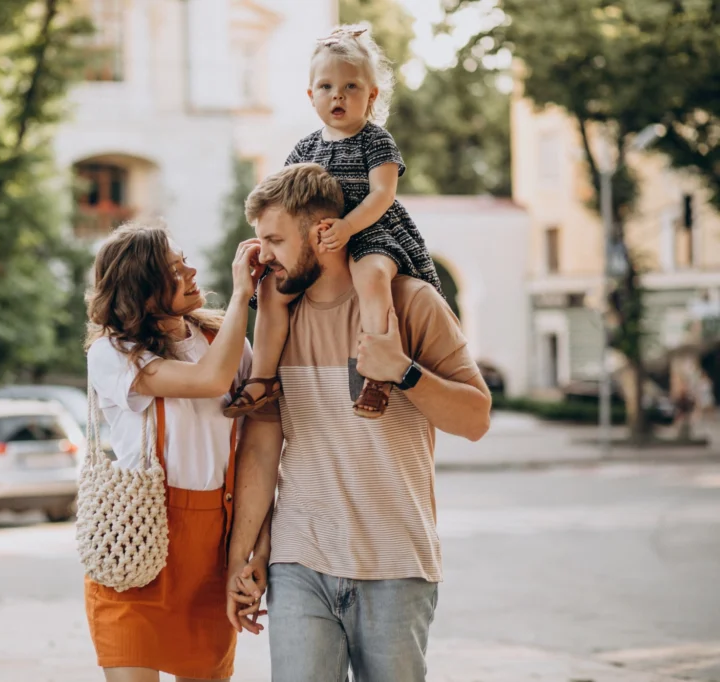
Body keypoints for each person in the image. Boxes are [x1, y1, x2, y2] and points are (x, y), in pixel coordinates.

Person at [224, 163, 492, 681]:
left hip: (396, 565)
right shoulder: (278, 320)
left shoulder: (411, 302)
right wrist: (242, 559)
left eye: (275, 240)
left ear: (322, 232)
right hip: (300, 560)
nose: (264, 257)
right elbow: (260, 446)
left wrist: (404, 372)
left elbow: (476, 419)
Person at [224, 24, 443, 421]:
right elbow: (282, 200)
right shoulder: (305, 147)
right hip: (315, 238)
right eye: (326, 87)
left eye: (351, 87)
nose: (337, 95)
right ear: (311, 96)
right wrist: (270, 243)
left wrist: (348, 227)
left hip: (369, 229)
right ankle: (262, 378)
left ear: (371, 95)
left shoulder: (375, 140)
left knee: (373, 278)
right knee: (273, 293)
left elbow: (382, 195)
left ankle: (375, 374)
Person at [83, 222, 264, 682]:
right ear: (142, 291)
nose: (192, 271)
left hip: (210, 549)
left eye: (184, 260)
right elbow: (209, 382)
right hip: (137, 543)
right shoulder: (114, 353)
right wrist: (243, 294)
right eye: (174, 269)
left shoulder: (224, 343)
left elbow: (259, 438)